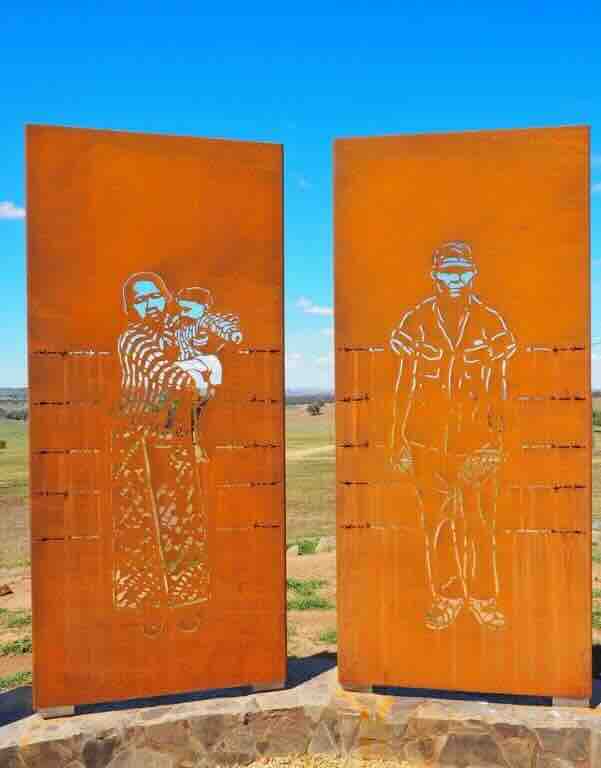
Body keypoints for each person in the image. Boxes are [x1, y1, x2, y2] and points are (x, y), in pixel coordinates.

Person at [390, 241, 516, 630]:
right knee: (437, 521)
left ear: (473, 273)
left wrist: (500, 442)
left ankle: (483, 598)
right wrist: (398, 439)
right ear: (435, 275)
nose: (455, 279)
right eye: (447, 271)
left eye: (462, 271)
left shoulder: (490, 323)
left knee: (479, 521)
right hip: (425, 441)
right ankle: (446, 597)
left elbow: (501, 386)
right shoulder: (415, 322)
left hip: (477, 440)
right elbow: (403, 384)